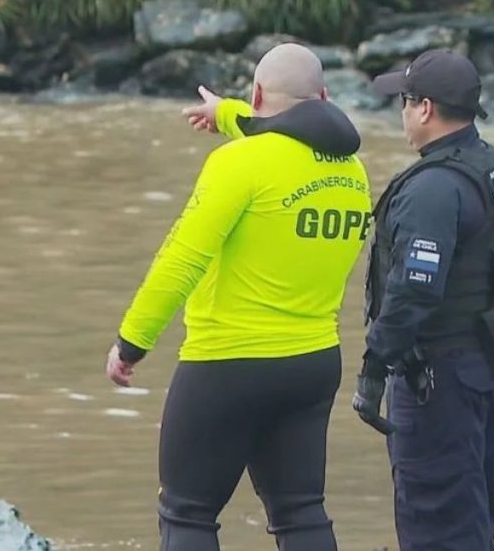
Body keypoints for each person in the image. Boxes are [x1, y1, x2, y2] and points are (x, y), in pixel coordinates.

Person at [106, 43, 373, 551]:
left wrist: (131, 342)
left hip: (227, 364)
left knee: (187, 514)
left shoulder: (238, 164)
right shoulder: (351, 172)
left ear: (256, 94)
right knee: (300, 511)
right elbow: (281, 136)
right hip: (312, 364)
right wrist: (227, 114)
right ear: (323, 96)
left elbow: (181, 258)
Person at [351, 49, 494, 551]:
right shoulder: (493, 166)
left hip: (440, 379)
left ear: (426, 108)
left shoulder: (433, 189)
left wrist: (374, 364)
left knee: (438, 522)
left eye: (404, 102)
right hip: (491, 365)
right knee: (472, 510)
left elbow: (414, 289)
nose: (402, 114)